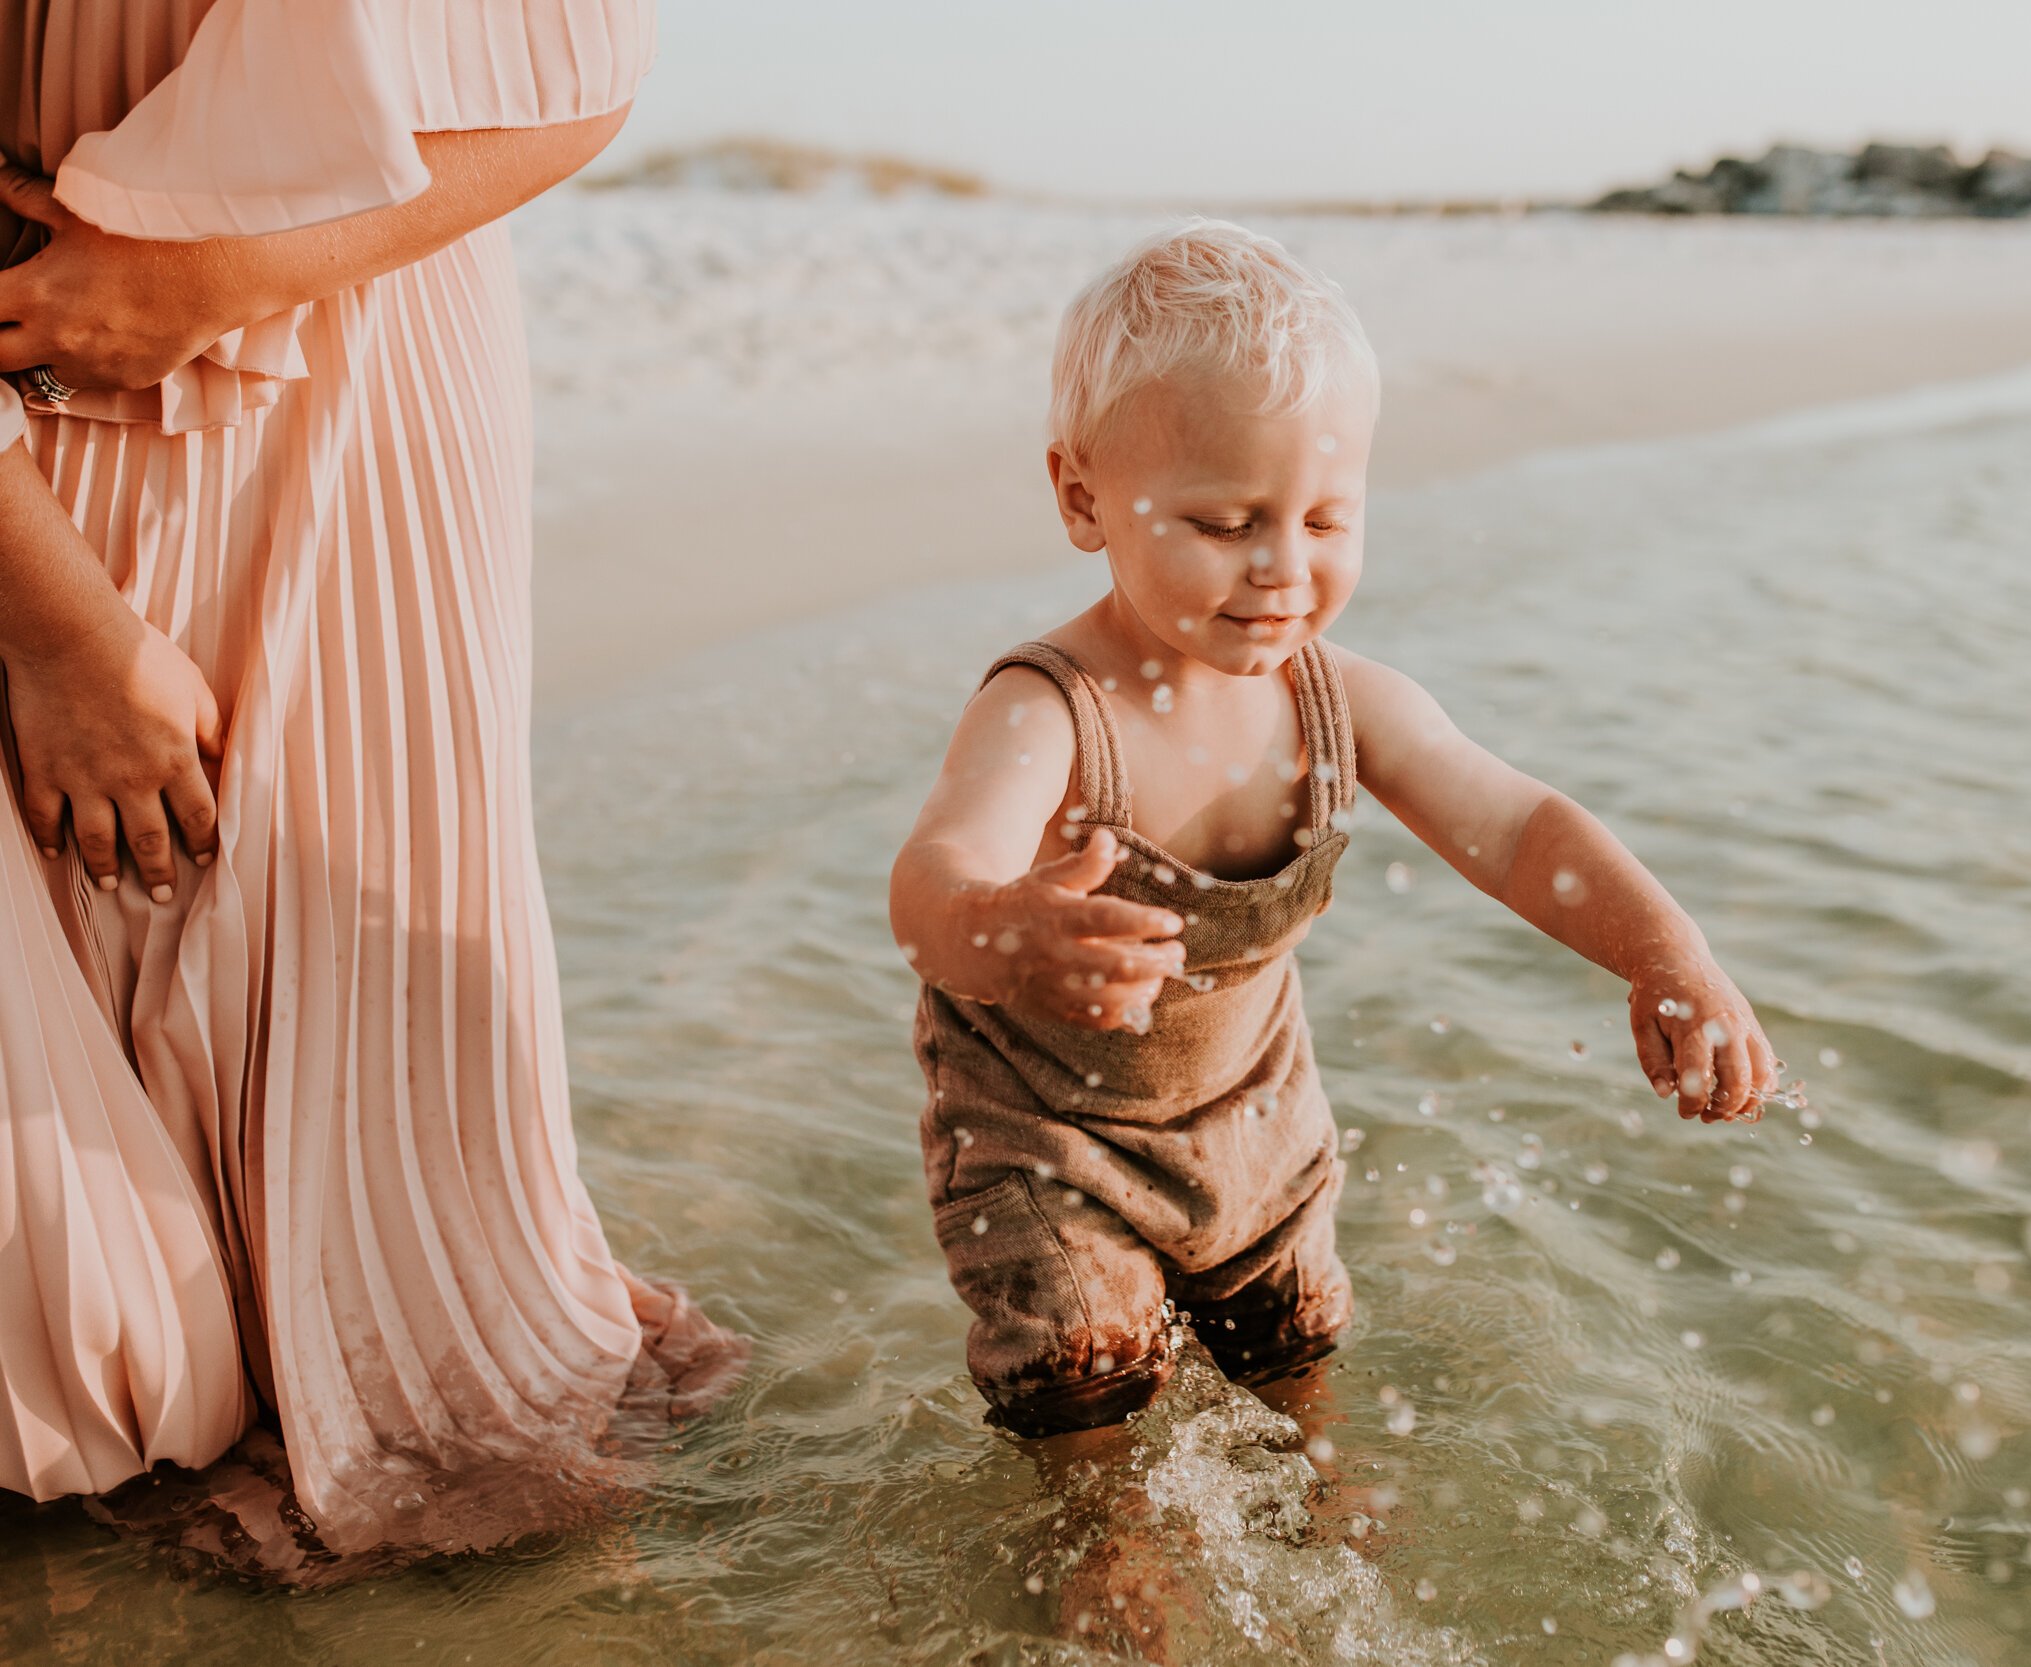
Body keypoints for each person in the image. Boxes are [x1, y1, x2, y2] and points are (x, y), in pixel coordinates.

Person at [0, 0, 739, 1578]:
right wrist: (52, 626)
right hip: (40, 425)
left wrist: (221, 272)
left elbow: (584, 64)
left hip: (385, 359)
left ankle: (375, 1383)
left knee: (364, 982)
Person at [890, 220, 1778, 1437]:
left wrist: (1667, 953)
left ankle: (1329, 1502)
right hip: (1052, 1145)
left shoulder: (1336, 697)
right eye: (1222, 523)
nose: (1279, 570)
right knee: (1084, 1391)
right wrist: (998, 927)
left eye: (1322, 521)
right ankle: (1102, 1552)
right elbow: (934, 874)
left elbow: (1518, 826)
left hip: (1255, 1124)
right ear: (1082, 496)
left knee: (1297, 1364)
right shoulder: (1050, 708)